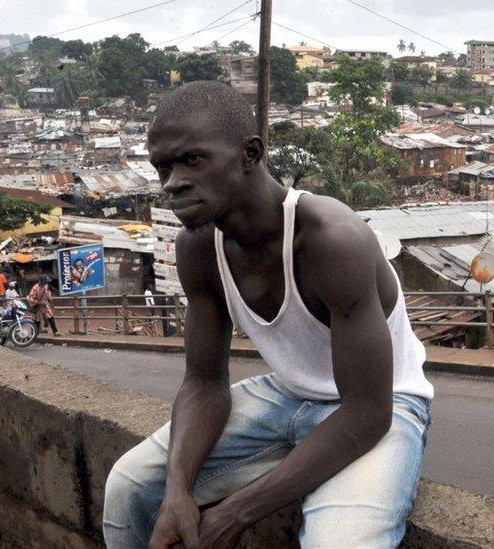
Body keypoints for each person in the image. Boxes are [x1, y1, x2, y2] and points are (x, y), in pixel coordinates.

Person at [102, 81, 433, 549]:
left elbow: (367, 412)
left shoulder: (331, 238)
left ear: (250, 154)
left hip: (384, 402)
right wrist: (178, 490)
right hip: (284, 394)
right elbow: (203, 383)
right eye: (163, 167)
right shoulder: (198, 247)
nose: (172, 181)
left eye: (192, 159)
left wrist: (236, 513)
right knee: (129, 488)